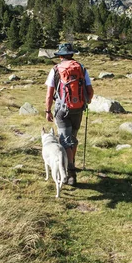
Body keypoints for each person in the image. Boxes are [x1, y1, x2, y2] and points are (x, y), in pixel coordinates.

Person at [45, 43, 94, 185]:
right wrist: (86, 102)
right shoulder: (81, 68)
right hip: (78, 109)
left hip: (62, 110)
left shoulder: (55, 69)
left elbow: (49, 95)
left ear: (60, 56)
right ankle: (71, 163)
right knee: (72, 138)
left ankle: (70, 172)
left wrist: (48, 111)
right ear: (72, 54)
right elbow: (90, 91)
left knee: (64, 140)